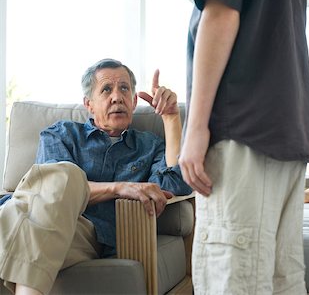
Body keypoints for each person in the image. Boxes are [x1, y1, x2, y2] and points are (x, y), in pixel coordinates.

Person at [0, 58, 192, 295]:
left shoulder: (149, 146)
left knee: (29, 224)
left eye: (124, 88)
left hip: (85, 234)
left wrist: (171, 118)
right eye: (106, 89)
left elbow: (173, 184)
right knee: (63, 176)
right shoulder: (61, 134)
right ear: (88, 104)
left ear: (133, 101)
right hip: (32, 216)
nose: (116, 97)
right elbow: (53, 189)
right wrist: (118, 188)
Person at [179, 0, 309, 294]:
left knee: (232, 280)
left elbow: (222, 14)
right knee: (283, 281)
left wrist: (196, 126)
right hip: (285, 128)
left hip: (241, 128)